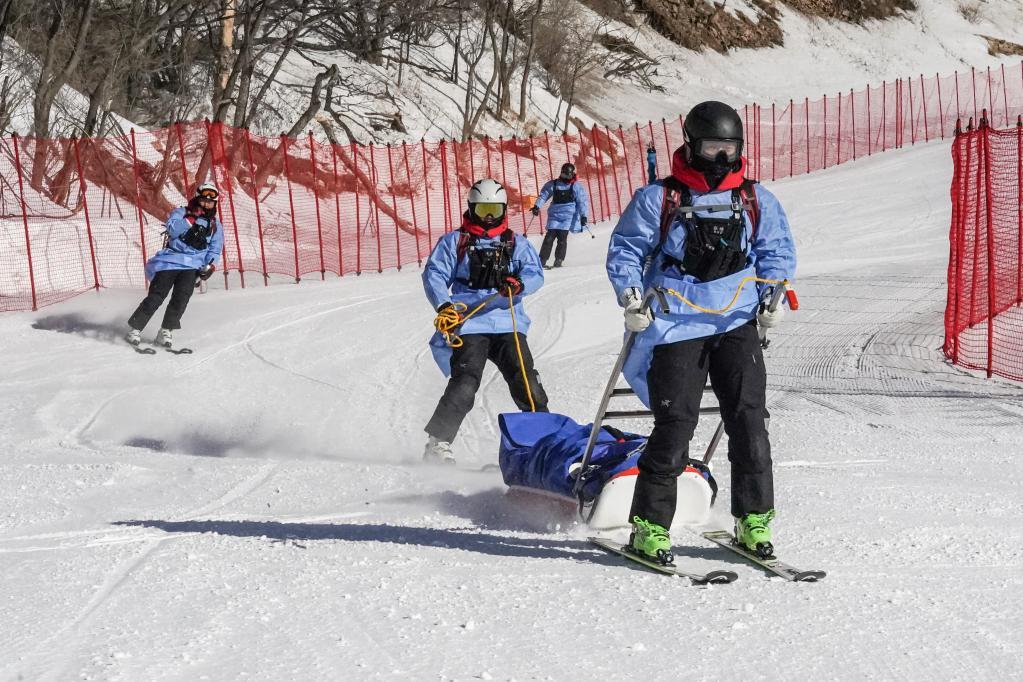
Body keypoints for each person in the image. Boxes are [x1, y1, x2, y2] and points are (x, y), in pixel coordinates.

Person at [605, 101, 797, 564]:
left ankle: (754, 519)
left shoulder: (754, 198)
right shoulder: (659, 198)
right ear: (690, 145)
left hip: (735, 320)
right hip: (676, 322)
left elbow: (775, 251)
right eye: (712, 148)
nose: (720, 159)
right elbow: (627, 249)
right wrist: (632, 297)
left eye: (729, 149)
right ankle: (649, 527)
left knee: (749, 421)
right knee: (676, 425)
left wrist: (773, 298)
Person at [421, 178, 550, 464]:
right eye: (482, 210)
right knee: (465, 383)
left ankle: (543, 441)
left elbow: (535, 273)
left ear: (503, 209)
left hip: (508, 321)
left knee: (526, 380)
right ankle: (437, 443)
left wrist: (519, 284)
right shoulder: (456, 242)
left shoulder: (515, 242)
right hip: (470, 323)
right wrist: (444, 305)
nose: (489, 217)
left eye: (494, 209)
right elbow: (434, 274)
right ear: (471, 209)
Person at [125, 182, 224, 349]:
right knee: (157, 295)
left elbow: (215, 247)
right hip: (170, 261)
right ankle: (135, 328)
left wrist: (210, 265)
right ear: (197, 199)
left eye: (210, 202)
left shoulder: (215, 225)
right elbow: (171, 229)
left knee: (181, 299)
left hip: (192, 266)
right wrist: (189, 220)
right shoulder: (181, 213)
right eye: (203, 200)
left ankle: (166, 331)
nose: (207, 205)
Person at [530, 162, 589, 269]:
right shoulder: (554, 184)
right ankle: (542, 260)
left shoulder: (575, 186)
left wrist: (583, 216)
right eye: (564, 175)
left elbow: (582, 201)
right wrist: (537, 206)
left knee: (562, 238)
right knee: (549, 237)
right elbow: (544, 195)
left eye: (568, 175)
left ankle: (559, 260)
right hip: (554, 215)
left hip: (567, 216)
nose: (566, 178)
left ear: (572, 175)